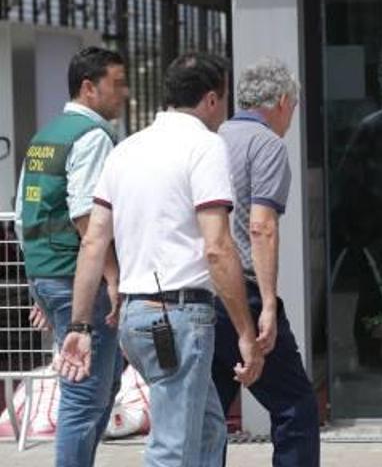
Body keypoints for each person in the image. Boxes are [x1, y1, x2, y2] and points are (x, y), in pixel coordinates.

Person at [57, 52, 265, 466]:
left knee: (207, 430)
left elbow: (94, 242)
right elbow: (218, 247)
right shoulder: (205, 146)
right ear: (210, 100)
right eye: (223, 101)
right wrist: (245, 330)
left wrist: (80, 324)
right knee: (171, 449)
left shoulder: (126, 149)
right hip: (179, 316)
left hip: (137, 315)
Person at [14, 46, 127, 467]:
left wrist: (39, 285)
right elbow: (87, 217)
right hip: (79, 277)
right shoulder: (91, 136)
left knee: (104, 383)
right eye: (116, 84)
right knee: (84, 392)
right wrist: (113, 276)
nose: (125, 93)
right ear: (88, 88)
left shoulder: (46, 136)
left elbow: (26, 215)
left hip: (48, 273)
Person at [211, 58, 320, 466]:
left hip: (202, 293)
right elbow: (261, 226)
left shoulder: (211, 140)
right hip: (244, 294)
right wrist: (270, 305)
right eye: (294, 106)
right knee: (296, 407)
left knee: (209, 416)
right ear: (281, 101)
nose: (292, 116)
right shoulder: (267, 145)